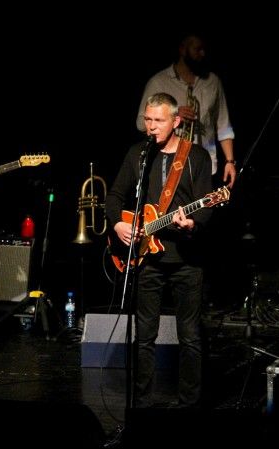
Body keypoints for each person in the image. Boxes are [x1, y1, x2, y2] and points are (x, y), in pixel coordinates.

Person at [107, 93, 213, 408]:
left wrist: (191, 224)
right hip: (146, 259)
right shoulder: (138, 154)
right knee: (144, 336)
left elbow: (207, 204)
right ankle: (141, 404)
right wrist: (118, 224)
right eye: (148, 120)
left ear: (176, 121)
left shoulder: (196, 156)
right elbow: (114, 196)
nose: (151, 127)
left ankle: (189, 404)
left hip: (187, 259)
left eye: (159, 120)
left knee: (190, 337)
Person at [136, 33, 236, 188]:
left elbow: (224, 125)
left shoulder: (213, 82)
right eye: (197, 49)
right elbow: (141, 123)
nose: (202, 54)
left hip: (205, 166)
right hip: (168, 166)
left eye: (204, 49)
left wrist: (230, 161)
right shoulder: (159, 82)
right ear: (182, 49)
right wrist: (172, 116)